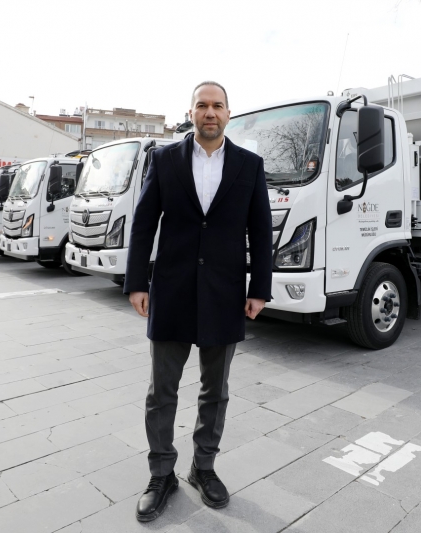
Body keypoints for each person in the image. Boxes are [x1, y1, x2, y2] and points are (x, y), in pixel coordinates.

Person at [124, 81, 273, 522]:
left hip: (225, 294)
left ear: (229, 113)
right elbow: (144, 222)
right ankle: (161, 473)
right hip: (171, 292)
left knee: (216, 391)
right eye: (202, 105)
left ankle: (203, 467)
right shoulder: (165, 159)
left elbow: (261, 231)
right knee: (161, 391)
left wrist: (259, 289)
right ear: (190, 112)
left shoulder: (249, 165)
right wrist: (137, 282)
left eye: (218, 105)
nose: (210, 112)